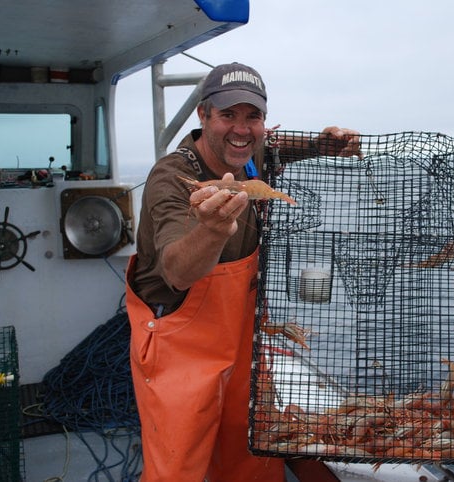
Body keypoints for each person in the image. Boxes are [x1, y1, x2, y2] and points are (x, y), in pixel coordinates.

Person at [125, 62, 361, 482]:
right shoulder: (173, 177)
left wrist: (323, 144)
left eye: (252, 116)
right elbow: (178, 270)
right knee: (178, 466)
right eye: (227, 114)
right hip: (179, 340)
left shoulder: (253, 152)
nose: (241, 128)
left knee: (252, 455)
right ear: (203, 115)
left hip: (241, 337)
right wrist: (212, 229)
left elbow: (276, 145)